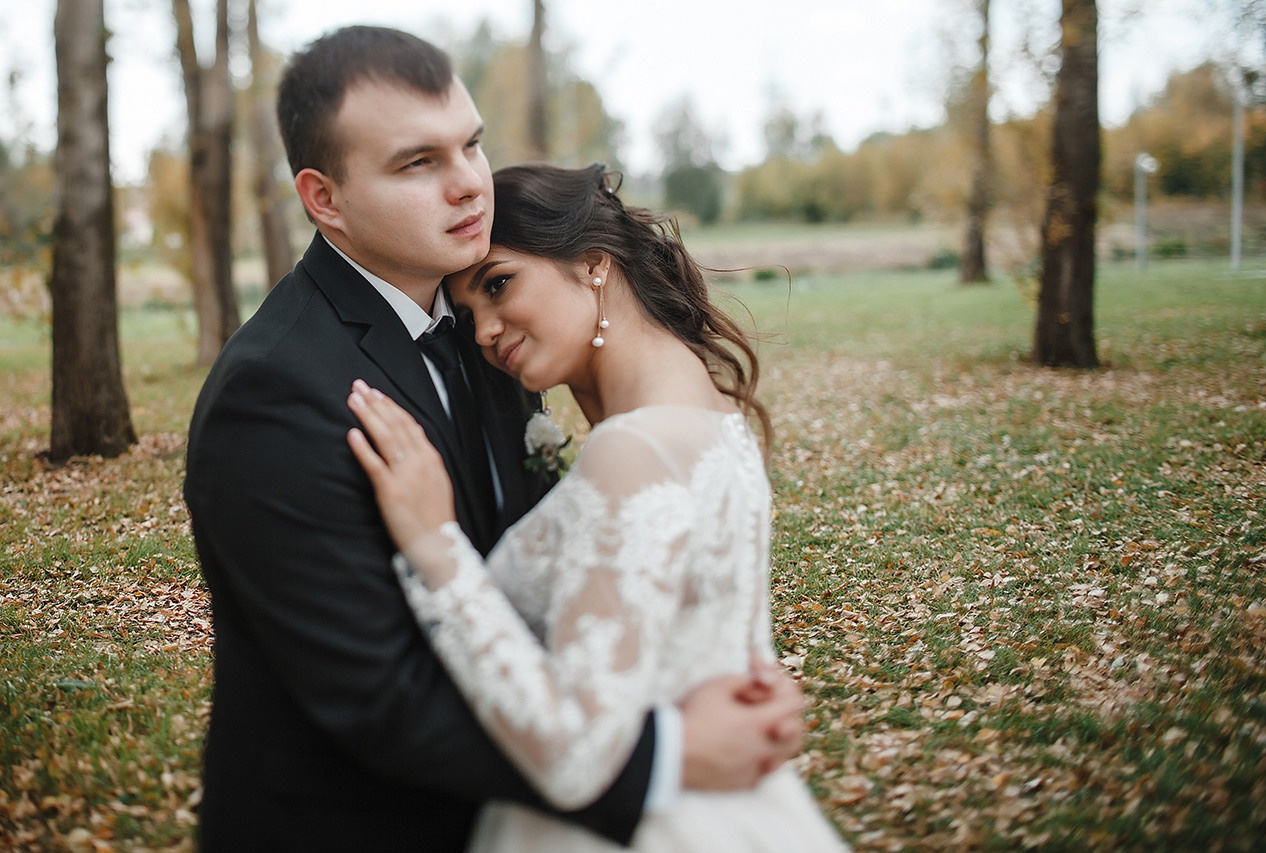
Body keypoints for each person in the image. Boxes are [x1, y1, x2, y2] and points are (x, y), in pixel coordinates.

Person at [183, 25, 804, 852]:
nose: (469, 184)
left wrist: (720, 669)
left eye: (470, 145)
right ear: (324, 197)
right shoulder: (275, 391)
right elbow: (380, 693)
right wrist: (669, 754)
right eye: (418, 163)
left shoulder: (492, 337)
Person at [344, 162, 847, 850]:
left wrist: (438, 548)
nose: (485, 330)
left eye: (498, 284)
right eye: (468, 314)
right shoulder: (714, 420)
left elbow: (576, 754)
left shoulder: (634, 450)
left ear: (592, 264)